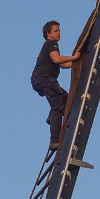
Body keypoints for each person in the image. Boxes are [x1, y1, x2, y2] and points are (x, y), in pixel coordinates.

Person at [31, 20, 80, 150]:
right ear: (48, 34)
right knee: (58, 107)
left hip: (43, 80)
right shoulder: (51, 44)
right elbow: (57, 59)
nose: (59, 33)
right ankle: (54, 141)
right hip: (44, 80)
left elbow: (63, 65)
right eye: (55, 31)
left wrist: (78, 62)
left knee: (65, 99)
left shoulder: (49, 46)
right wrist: (74, 57)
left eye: (59, 30)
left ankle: (51, 118)